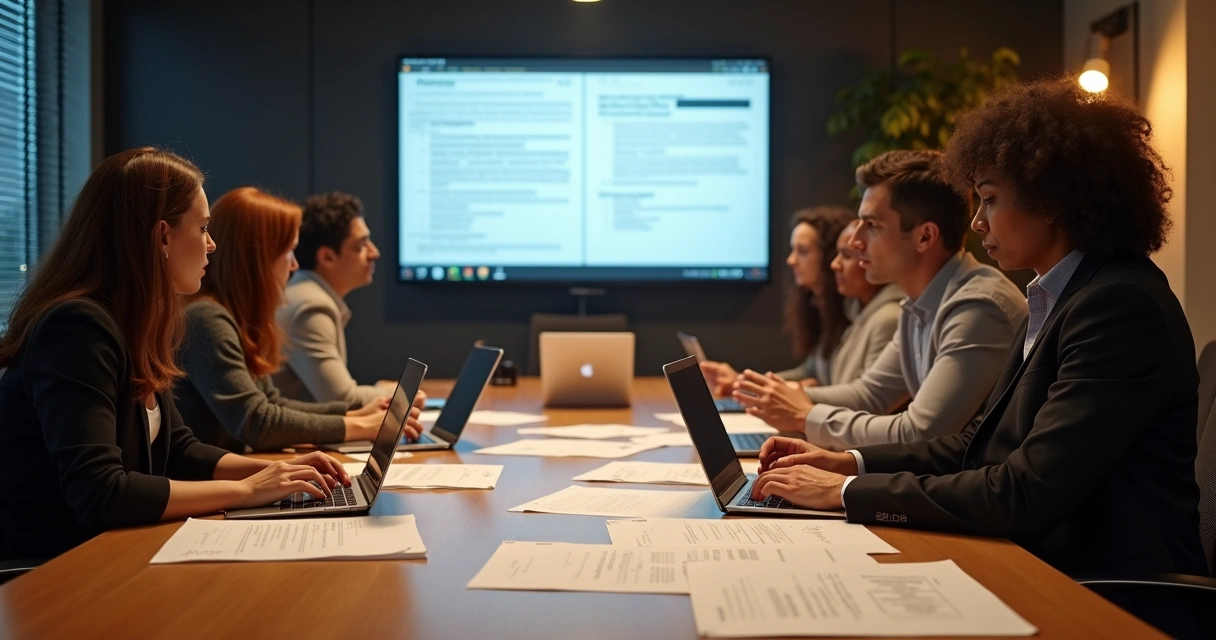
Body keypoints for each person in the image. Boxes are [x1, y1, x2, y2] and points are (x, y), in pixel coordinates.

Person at [747, 79, 1205, 589]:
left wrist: (846, 492)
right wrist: (848, 461)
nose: (977, 222)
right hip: (1036, 558)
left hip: (1101, 587)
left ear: (1052, 199)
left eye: (988, 200)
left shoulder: (1118, 306)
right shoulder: (1060, 294)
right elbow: (976, 444)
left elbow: (1023, 492)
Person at [0, 148, 353, 561]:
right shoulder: (77, 327)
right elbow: (100, 492)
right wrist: (245, 491)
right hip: (50, 573)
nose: (212, 243)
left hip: (105, 552)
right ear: (162, 237)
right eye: (203, 228)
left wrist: (273, 474)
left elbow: (179, 450)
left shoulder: (134, 321)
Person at [734, 150, 1027, 448]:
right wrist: (780, 394)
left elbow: (921, 432)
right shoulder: (919, 305)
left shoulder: (978, 307)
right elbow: (869, 394)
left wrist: (804, 416)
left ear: (925, 237)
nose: (854, 240)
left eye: (872, 225)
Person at [174, 187, 421, 453]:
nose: (293, 266)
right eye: (289, 251)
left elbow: (271, 402)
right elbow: (256, 422)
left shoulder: (233, 316)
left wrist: (353, 414)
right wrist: (363, 427)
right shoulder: (207, 317)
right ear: (259, 259)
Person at [701, 206, 898, 393]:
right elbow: (813, 373)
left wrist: (799, 393)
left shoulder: (875, 316)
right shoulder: (851, 310)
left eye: (802, 251)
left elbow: (865, 399)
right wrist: (746, 383)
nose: (791, 260)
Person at [273, 192, 389, 405]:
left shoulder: (303, 292)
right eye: (361, 245)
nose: (374, 253)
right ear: (327, 257)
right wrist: (397, 394)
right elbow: (342, 399)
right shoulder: (311, 306)